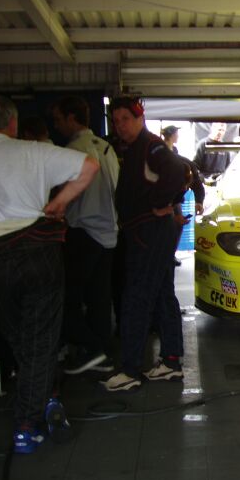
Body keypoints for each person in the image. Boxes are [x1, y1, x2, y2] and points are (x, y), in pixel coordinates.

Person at [0, 95, 98, 454]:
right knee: (41, 338)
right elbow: (89, 166)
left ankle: (44, 399)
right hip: (37, 251)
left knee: (18, 335)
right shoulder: (34, 152)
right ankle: (28, 424)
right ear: (12, 123)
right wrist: (60, 203)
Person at [102, 96, 186, 392]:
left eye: (125, 118)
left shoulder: (151, 146)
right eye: (115, 120)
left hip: (148, 233)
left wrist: (158, 203)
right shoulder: (137, 148)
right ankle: (171, 362)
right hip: (150, 232)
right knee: (162, 294)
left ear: (140, 118)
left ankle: (130, 369)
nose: (120, 125)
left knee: (136, 298)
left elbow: (178, 171)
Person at [52, 96, 120, 375]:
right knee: (100, 298)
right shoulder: (106, 148)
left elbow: (65, 196)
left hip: (84, 232)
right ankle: (104, 352)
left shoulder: (73, 151)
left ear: (71, 119)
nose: (56, 126)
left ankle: (93, 348)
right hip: (110, 232)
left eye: (58, 120)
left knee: (66, 298)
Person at [160, 125, 205, 266]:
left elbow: (196, 182)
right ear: (172, 135)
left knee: (176, 224)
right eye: (177, 134)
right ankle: (165, 254)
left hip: (173, 199)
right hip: (160, 199)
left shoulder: (183, 161)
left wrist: (199, 200)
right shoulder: (161, 157)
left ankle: (169, 254)